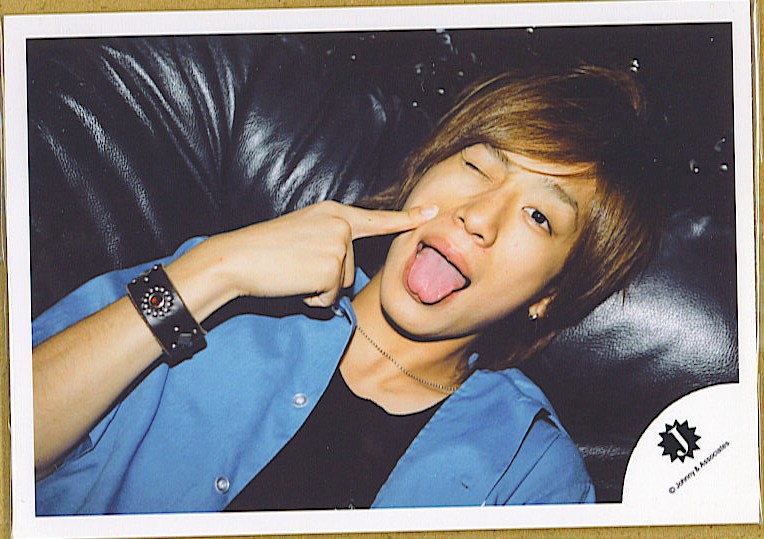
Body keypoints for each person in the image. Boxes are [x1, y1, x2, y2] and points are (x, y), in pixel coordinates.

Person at [32, 64, 660, 514]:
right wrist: (214, 270)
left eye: (539, 216)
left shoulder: (531, 474)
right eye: (477, 165)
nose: (478, 216)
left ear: (551, 295)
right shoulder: (218, 287)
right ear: (424, 171)